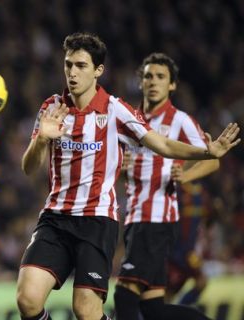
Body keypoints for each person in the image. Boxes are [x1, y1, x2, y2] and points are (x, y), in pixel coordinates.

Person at [17, 32, 240, 320]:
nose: (72, 72)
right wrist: (41, 140)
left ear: (98, 70)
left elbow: (161, 143)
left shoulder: (114, 109)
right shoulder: (51, 108)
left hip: (97, 221)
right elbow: (28, 167)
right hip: (54, 218)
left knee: (86, 310)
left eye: (81, 66)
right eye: (68, 64)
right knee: (27, 300)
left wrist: (207, 152)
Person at [113, 53, 220, 320]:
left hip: (157, 218)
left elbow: (213, 159)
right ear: (140, 82)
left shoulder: (180, 120)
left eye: (161, 77)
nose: (153, 82)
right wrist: (123, 171)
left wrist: (185, 176)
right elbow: (133, 173)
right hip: (134, 219)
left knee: (124, 296)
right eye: (148, 76)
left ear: (172, 85)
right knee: (153, 308)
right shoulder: (130, 120)